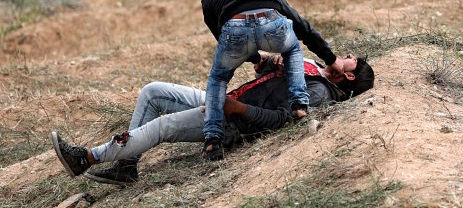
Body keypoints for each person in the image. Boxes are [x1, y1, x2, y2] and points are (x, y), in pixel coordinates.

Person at [50, 52, 374, 186]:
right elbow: (274, 71)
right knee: (152, 91)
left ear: (347, 77)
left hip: (231, 120)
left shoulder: (319, 94)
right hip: (228, 101)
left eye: (349, 60)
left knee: (163, 126)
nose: (343, 55)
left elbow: (280, 120)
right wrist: (261, 58)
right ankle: (126, 166)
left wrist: (236, 111)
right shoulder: (318, 69)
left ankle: (87, 158)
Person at [198, 0, 345, 160]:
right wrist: (330, 58)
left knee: (218, 78)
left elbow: (222, 35)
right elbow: (301, 25)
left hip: (234, 25)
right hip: (272, 21)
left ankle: (212, 140)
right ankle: (300, 105)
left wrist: (254, 58)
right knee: (292, 50)